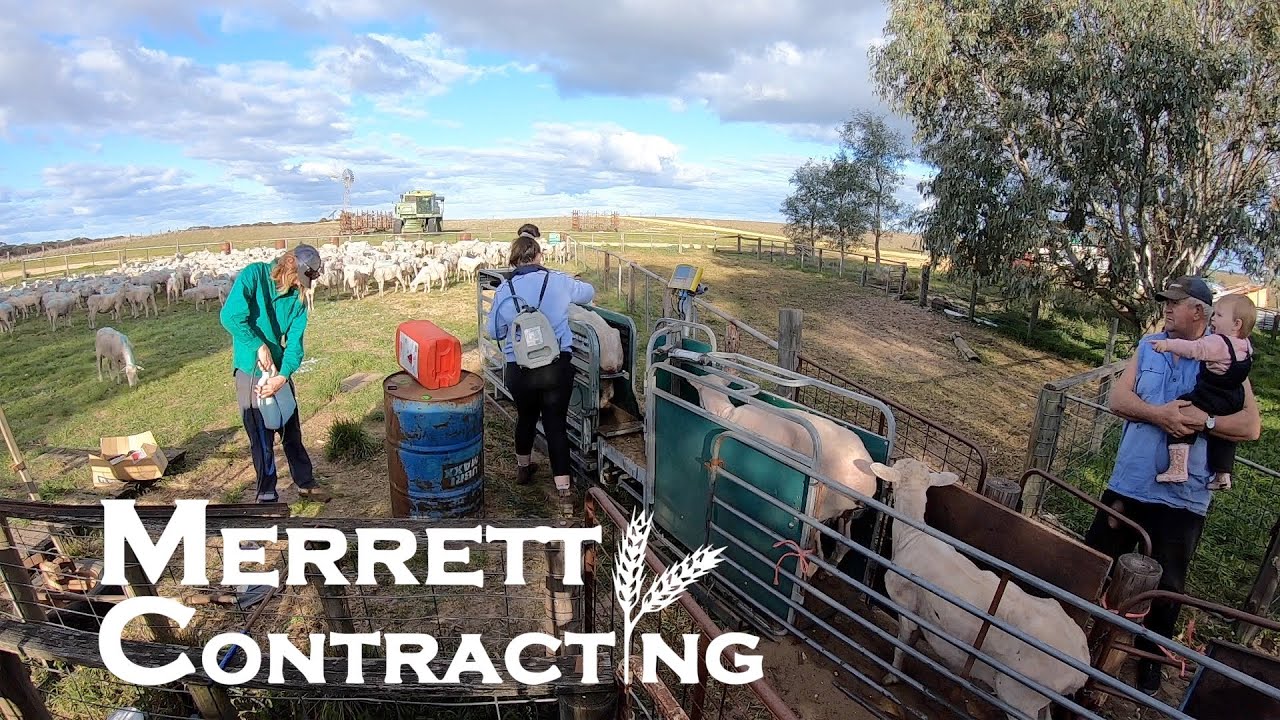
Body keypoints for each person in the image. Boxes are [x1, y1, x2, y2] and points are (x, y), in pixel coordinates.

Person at [1083, 275, 1260, 695]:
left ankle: (1150, 659)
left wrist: (1208, 421)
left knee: (1168, 586)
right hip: (1130, 483)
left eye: (1175, 303)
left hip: (1183, 499)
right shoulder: (1148, 346)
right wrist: (1158, 414)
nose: (1166, 308)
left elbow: (1251, 426)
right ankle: (1069, 627)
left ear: (1199, 312)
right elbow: (1118, 400)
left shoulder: (1227, 358)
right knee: (1095, 561)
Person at [485, 224, 596, 494]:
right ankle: (564, 490)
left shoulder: (504, 289)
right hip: (555, 368)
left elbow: (492, 331)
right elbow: (589, 293)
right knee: (555, 425)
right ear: (538, 256)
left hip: (520, 370)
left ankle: (523, 467)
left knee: (525, 417)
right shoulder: (558, 280)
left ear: (513, 259)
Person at [219, 244, 330, 504]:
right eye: (298, 279)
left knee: (291, 427)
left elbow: (295, 343)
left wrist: (282, 376)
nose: (299, 286)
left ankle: (305, 482)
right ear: (288, 264)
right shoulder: (254, 275)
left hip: (278, 368)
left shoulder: (298, 299)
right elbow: (231, 316)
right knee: (261, 432)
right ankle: (266, 492)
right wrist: (257, 345)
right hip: (250, 367)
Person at [1149, 293, 1256, 490]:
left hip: (1212, 394)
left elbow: (1193, 349)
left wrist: (1168, 345)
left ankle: (1178, 467)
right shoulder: (1246, 345)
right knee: (1224, 436)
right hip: (1234, 398)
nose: (1213, 319)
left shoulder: (1218, 343)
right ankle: (1223, 474)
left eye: (1219, 315)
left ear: (1236, 324)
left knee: (1181, 412)